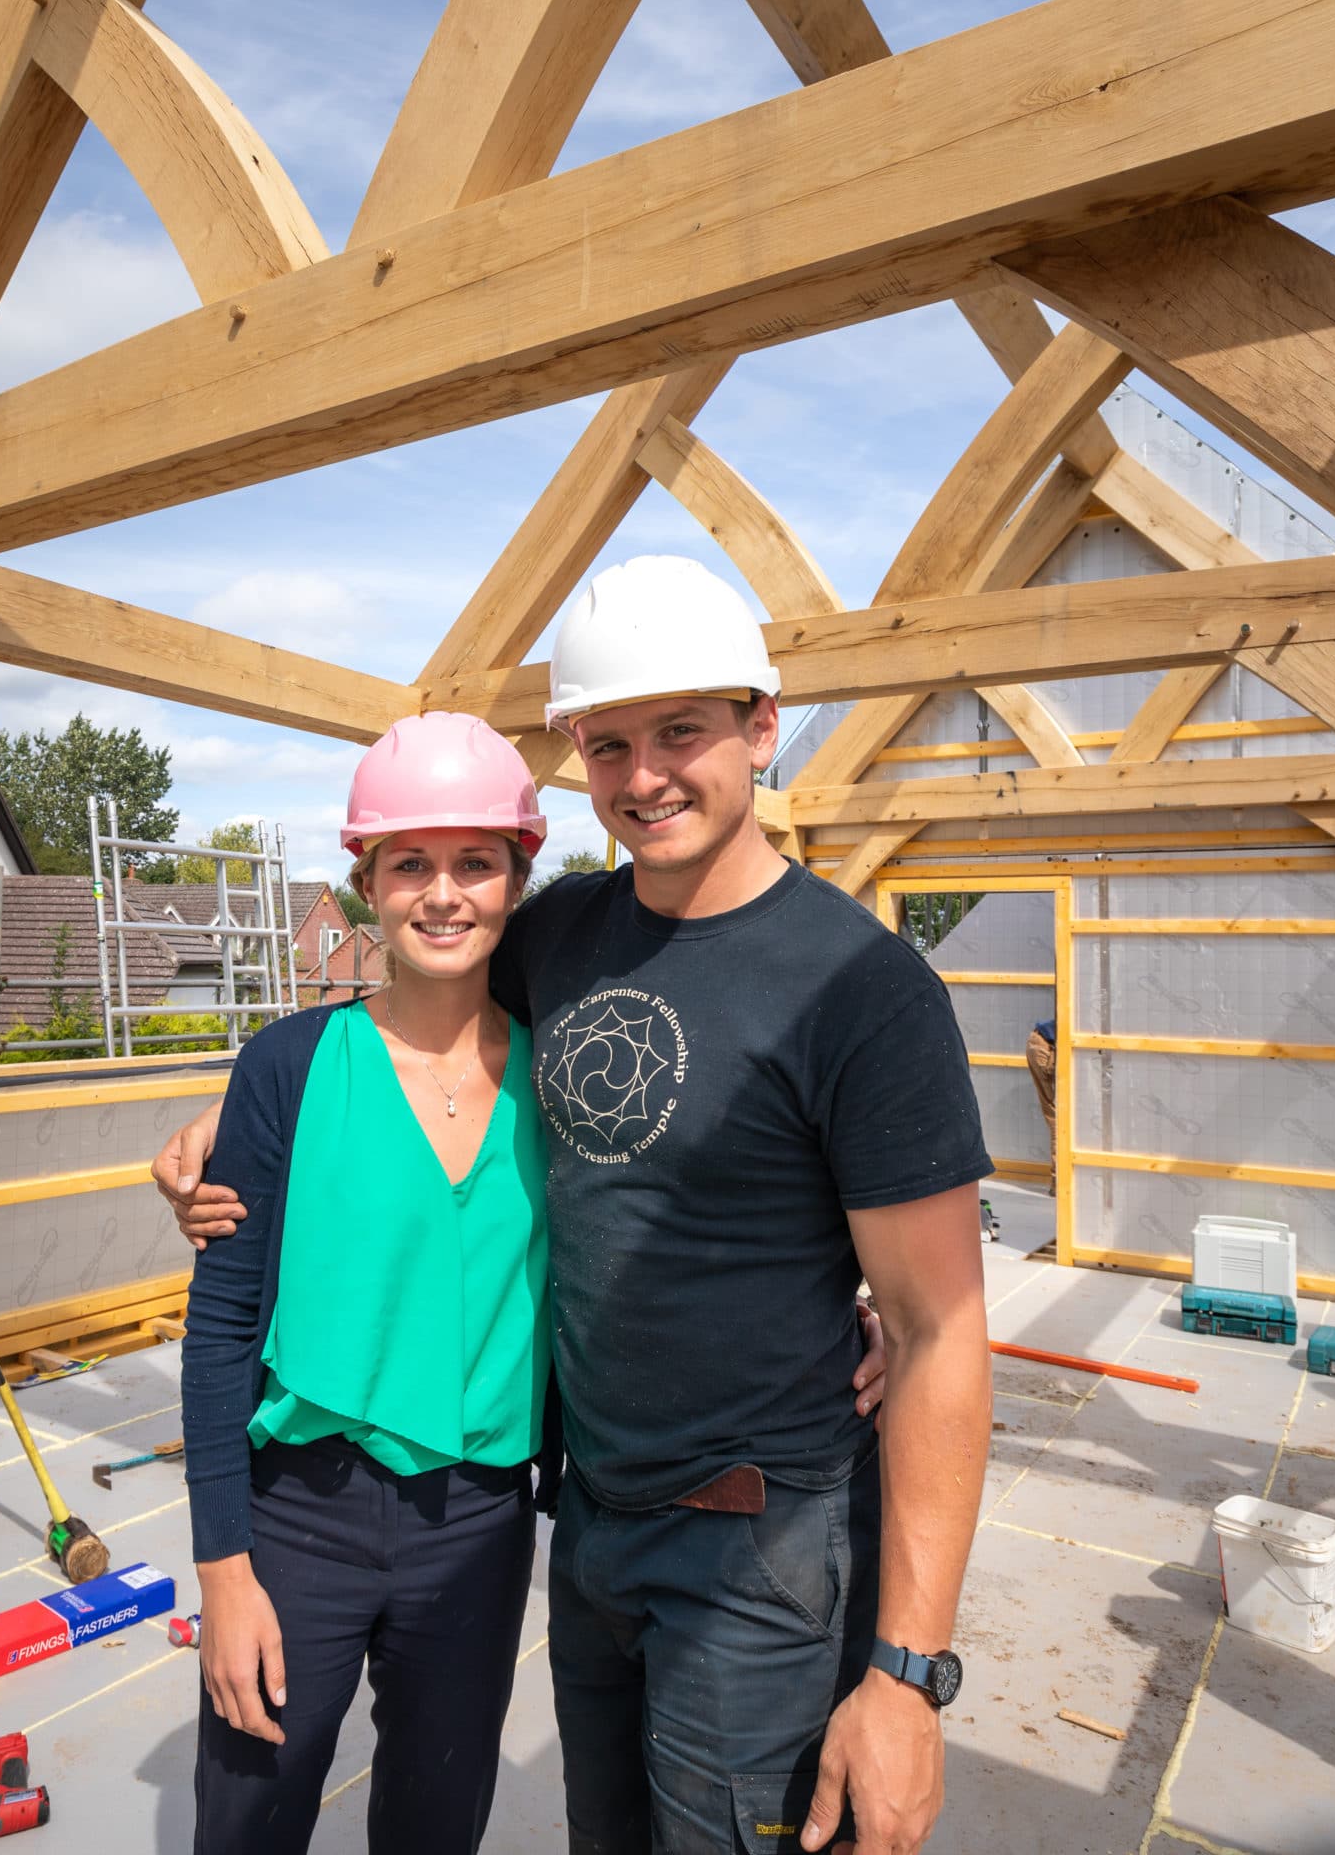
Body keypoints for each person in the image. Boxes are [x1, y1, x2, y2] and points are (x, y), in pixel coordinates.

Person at [161, 561, 994, 1855]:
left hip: (755, 1549)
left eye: (682, 732)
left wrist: (906, 1674)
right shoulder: (563, 938)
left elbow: (942, 1330)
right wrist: (244, 1122)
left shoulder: (865, 993)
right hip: (587, 1528)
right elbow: (418, 1021)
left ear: (762, 729)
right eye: (609, 743)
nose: (646, 774)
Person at [180, 713, 553, 1855]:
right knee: (253, 1810)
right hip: (302, 1512)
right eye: (411, 864)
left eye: (476, 863)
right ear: (367, 888)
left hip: (479, 1519)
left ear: (516, 882)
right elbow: (222, 1329)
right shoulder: (290, 1069)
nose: (443, 895)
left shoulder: (567, 1073)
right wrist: (225, 1568)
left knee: (438, 1821)